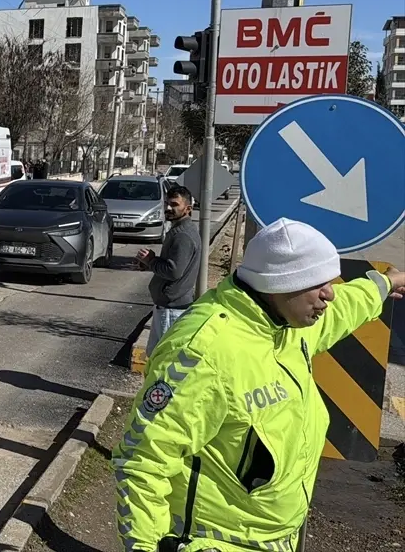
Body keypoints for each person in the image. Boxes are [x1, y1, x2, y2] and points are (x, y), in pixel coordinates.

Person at [114, 218, 405, 552]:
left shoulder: (285, 326)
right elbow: (142, 461)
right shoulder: (205, 351)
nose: (330, 293)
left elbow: (343, 308)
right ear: (280, 283)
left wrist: (383, 283)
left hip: (275, 541)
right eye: (318, 282)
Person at [137, 184, 201, 354]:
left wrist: (151, 261)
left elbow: (174, 271)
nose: (168, 208)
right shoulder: (179, 230)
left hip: (172, 309)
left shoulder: (183, 235)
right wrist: (150, 263)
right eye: (167, 203)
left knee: (164, 357)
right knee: (155, 356)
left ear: (188, 209)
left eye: (174, 204)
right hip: (167, 306)